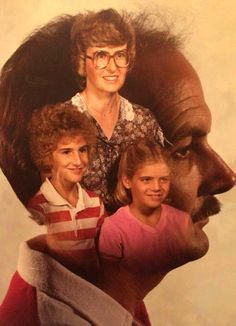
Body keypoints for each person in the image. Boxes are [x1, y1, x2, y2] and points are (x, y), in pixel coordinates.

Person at [0, 9, 164, 212]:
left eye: (120, 55)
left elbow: (159, 191)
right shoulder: (58, 122)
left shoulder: (145, 121)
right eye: (101, 55)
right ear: (81, 61)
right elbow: (53, 201)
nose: (112, 67)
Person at [98, 139, 211, 316]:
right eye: (146, 180)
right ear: (127, 181)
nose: (156, 188)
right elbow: (110, 289)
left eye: (164, 180)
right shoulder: (114, 228)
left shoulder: (181, 222)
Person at [25, 102, 106, 281]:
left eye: (82, 150)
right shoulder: (38, 209)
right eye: (66, 152)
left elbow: (106, 261)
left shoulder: (95, 204)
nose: (78, 161)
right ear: (47, 156)